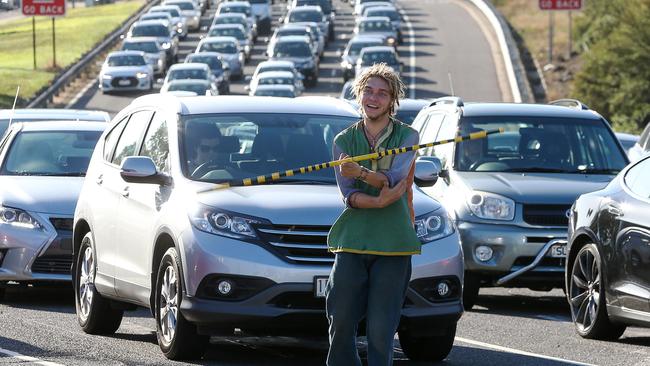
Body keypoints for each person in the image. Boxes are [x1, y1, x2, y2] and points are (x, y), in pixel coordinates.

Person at [326, 63, 420, 366]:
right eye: (369, 90)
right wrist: (379, 200)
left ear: (392, 100)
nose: (374, 98)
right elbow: (349, 197)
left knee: (381, 331)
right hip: (352, 241)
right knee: (340, 321)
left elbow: (395, 180)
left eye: (382, 93)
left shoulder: (408, 136)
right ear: (359, 94)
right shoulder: (343, 140)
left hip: (394, 243)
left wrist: (362, 173)